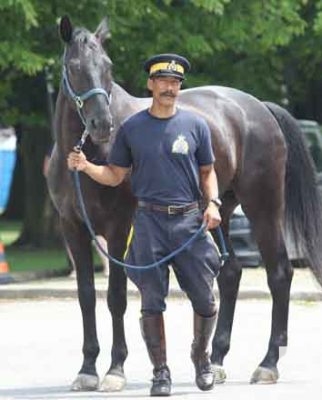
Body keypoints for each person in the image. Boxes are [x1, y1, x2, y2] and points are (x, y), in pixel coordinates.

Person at [67, 53, 222, 396]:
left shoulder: (195, 126)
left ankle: (202, 357)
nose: (170, 88)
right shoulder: (132, 130)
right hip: (149, 223)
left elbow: (207, 173)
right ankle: (160, 372)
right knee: (151, 302)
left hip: (188, 222)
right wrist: (86, 167)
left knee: (206, 300)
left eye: (176, 82)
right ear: (150, 84)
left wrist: (212, 202)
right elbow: (115, 175)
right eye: (163, 81)